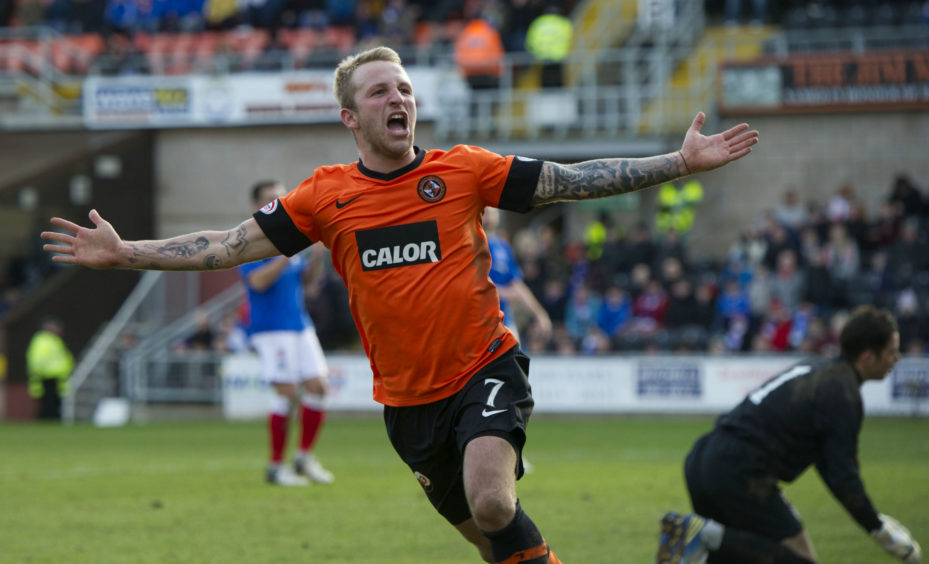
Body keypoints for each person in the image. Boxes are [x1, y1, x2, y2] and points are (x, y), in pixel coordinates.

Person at [42, 46, 757, 563]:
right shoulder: (325, 196)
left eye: (405, 88)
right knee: (495, 543)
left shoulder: (464, 173)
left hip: (485, 366)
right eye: (381, 92)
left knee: (493, 502)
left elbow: (572, 181)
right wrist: (127, 250)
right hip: (406, 406)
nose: (399, 100)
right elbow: (229, 246)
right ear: (351, 117)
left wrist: (676, 162)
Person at [656, 305, 922, 564]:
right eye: (891, 352)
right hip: (738, 471)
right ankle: (704, 537)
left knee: (742, 555)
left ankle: (705, 540)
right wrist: (878, 530)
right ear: (867, 357)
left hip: (705, 458)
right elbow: (843, 476)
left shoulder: (817, 370)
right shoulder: (842, 395)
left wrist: (872, 522)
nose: (896, 360)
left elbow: (828, 465)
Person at [240, 179, 334, 487]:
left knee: (319, 387)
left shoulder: (289, 237)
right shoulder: (250, 241)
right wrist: (285, 255)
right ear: (257, 206)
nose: (278, 204)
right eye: (270, 199)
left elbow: (307, 283)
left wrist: (317, 258)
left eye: (282, 198)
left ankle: (304, 457)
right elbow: (257, 283)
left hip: (299, 324)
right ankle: (276, 466)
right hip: (272, 329)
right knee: (289, 393)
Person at [483, 207, 552, 345]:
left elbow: (517, 285)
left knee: (517, 361)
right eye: (484, 212)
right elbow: (470, 285)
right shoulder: (470, 245)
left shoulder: (503, 247)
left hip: (504, 322)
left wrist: (539, 314)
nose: (489, 217)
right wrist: (504, 292)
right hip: (479, 324)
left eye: (492, 212)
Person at [27, 315, 74, 421]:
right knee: (49, 404)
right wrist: (38, 374)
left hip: (57, 377)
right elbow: (37, 359)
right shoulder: (43, 341)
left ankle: (52, 421)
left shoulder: (54, 340)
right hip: (47, 377)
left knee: (54, 403)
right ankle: (47, 422)